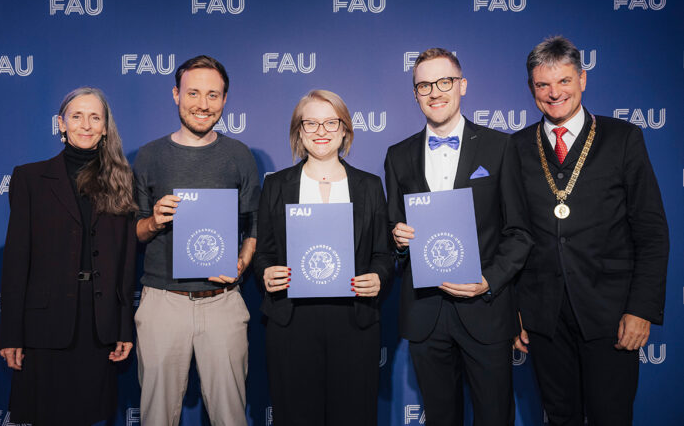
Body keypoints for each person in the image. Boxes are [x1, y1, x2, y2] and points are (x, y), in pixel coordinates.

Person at [512, 36, 669, 425]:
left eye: (564, 81)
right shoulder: (515, 147)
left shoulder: (623, 138)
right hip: (543, 317)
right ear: (531, 88)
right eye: (543, 84)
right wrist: (514, 311)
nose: (554, 93)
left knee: (610, 416)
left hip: (611, 314)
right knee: (559, 417)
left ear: (582, 79)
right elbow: (510, 234)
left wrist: (641, 309)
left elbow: (651, 232)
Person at [384, 48, 533, 425]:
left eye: (444, 82)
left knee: (494, 416)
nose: (435, 92)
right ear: (415, 93)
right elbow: (392, 234)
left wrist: (489, 281)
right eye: (424, 85)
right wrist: (397, 241)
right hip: (425, 313)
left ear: (462, 85)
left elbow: (519, 232)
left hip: (485, 309)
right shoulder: (397, 156)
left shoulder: (501, 147)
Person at [0, 87, 138, 426]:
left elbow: (125, 262)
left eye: (95, 117)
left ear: (105, 127)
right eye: (77, 116)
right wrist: (11, 334)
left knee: (90, 416)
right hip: (44, 325)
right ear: (61, 124)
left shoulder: (121, 180)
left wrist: (124, 327)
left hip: (98, 325)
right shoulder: (30, 178)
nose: (85, 125)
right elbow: (16, 260)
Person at [253, 90, 393, 426]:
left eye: (331, 122)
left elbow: (383, 253)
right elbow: (264, 252)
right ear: (299, 131)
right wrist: (266, 272)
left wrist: (378, 276)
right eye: (311, 123)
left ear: (345, 130)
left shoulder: (370, 186)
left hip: (354, 320)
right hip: (291, 320)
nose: (321, 131)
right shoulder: (276, 185)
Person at [133, 55, 260, 425]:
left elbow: (254, 226)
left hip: (222, 300)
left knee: (231, 416)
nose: (203, 104)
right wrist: (154, 221)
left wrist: (241, 263)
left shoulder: (239, 155)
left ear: (224, 100)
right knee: (156, 417)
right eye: (193, 93)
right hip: (162, 302)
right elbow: (134, 230)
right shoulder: (149, 155)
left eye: (213, 95)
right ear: (176, 95)